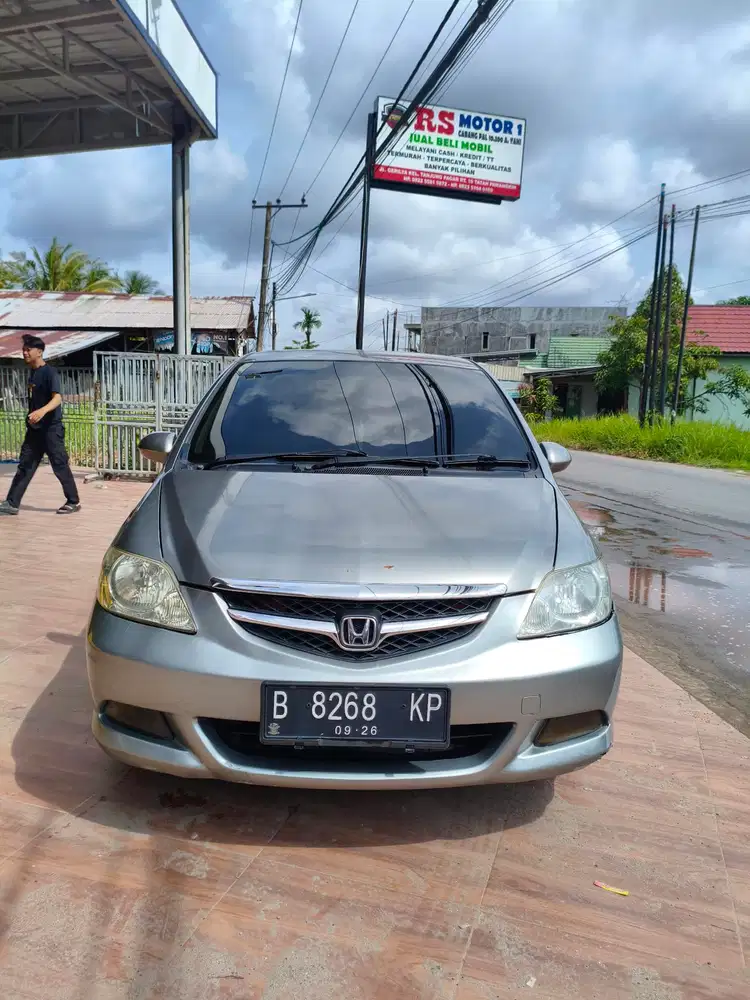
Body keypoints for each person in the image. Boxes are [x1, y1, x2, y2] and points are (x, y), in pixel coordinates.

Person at [0, 334, 81, 516]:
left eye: (28, 350)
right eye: (23, 350)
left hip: (51, 430)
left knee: (59, 465)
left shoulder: (49, 373)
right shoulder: (33, 373)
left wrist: (42, 411)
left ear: (39, 352)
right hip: (34, 431)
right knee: (25, 466)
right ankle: (12, 503)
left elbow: (57, 398)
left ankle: (73, 501)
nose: (25, 353)